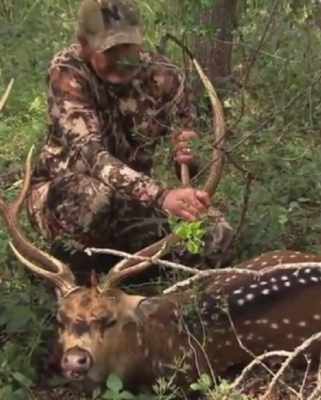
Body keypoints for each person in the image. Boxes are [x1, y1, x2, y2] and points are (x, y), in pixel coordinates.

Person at [25, 0, 236, 280]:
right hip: (67, 198)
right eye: (110, 50)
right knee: (94, 198)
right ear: (84, 44)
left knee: (217, 233)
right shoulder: (68, 71)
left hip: (130, 199)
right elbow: (90, 156)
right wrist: (162, 195)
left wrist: (189, 156)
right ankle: (71, 283)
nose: (123, 58)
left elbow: (188, 164)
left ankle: (135, 282)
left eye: (129, 46)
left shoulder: (165, 76)